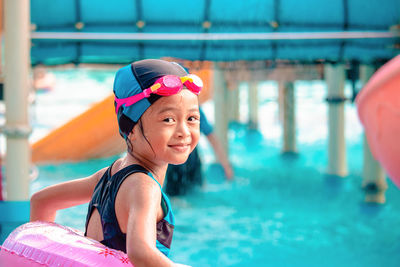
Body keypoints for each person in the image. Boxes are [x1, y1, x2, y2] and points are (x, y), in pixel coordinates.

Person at [30, 59, 203, 267]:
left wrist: (38, 253)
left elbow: (42, 201)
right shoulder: (144, 187)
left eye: (192, 118)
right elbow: (140, 252)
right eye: (168, 120)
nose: (184, 131)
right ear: (130, 127)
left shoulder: (107, 176)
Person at [165, 107, 234, 196]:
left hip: (186, 159)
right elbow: (211, 137)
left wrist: (226, 166)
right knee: (196, 192)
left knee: (186, 195)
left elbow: (211, 137)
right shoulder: (194, 108)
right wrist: (226, 166)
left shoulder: (194, 108)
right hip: (183, 160)